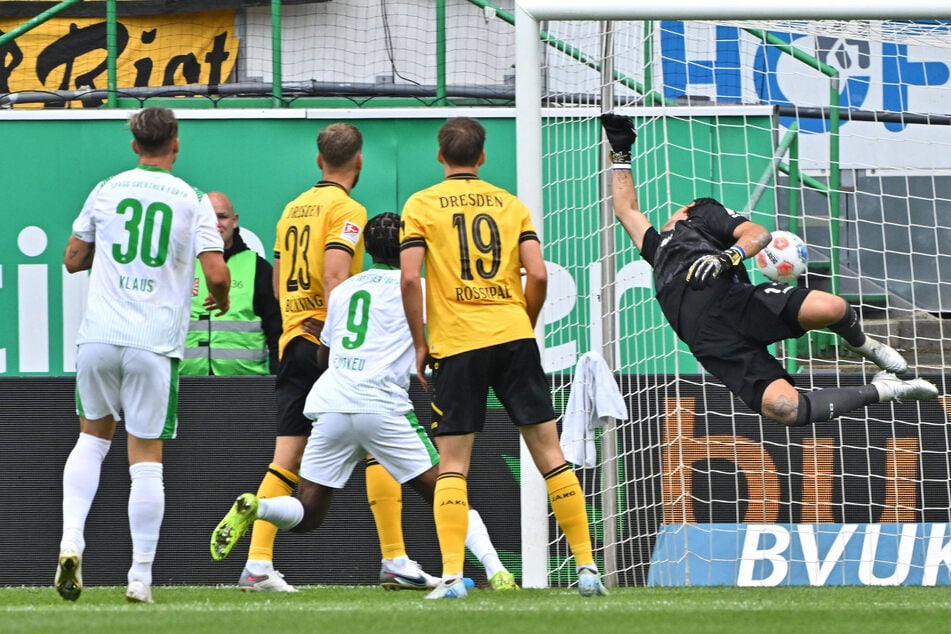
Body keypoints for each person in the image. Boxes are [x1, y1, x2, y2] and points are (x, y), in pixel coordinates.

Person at [210, 213, 517, 591]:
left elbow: (323, 360)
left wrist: (332, 341)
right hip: (382, 407)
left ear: (366, 250)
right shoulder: (417, 288)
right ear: (409, 247)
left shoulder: (345, 290)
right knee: (446, 491)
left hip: (333, 405)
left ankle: (260, 507)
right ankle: (496, 569)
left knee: (307, 513)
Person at [598, 112, 939, 428]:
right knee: (784, 409)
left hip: (740, 305)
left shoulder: (701, 214)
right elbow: (626, 209)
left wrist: (727, 258)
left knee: (832, 307)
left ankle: (869, 348)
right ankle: (887, 389)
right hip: (714, 343)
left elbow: (758, 234)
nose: (672, 212)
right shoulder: (658, 248)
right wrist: (620, 151)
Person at [399, 117, 607, 599]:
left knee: (452, 464)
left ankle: (452, 576)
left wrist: (420, 341)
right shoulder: (510, 205)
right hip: (514, 337)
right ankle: (587, 569)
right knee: (551, 455)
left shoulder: (422, 204)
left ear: (439, 155)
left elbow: (410, 279)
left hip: (459, 342)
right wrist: (523, 323)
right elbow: (536, 274)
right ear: (483, 155)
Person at [56, 106, 231, 604]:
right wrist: (216, 301)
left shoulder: (107, 188)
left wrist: (105, 251)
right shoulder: (192, 199)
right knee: (146, 459)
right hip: (152, 342)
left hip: (100, 336)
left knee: (91, 440)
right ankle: (140, 578)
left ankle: (71, 541)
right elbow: (217, 276)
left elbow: (72, 259)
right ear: (175, 143)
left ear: (134, 145)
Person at [236, 122, 371, 593]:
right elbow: (335, 277)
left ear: (319, 161)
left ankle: (257, 564)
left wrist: (294, 324)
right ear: (358, 161)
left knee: (286, 458)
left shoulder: (292, 209)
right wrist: (335, 341)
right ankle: (395, 557)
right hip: (325, 343)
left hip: (293, 338)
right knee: (382, 434)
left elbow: (275, 282)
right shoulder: (348, 209)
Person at [181, 191, 281, 376]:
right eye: (209, 217)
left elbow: (276, 332)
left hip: (246, 387)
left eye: (222, 217)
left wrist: (277, 383)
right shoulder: (180, 265)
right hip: (184, 384)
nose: (216, 224)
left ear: (234, 221)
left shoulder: (258, 268)